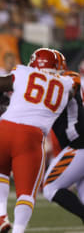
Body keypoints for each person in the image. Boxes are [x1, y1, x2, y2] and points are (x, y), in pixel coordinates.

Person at [0, 48, 80, 233]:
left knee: (0, 172)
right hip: (31, 136)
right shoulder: (67, 84)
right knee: (26, 192)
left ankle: (1, 215)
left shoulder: (23, 72)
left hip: (3, 129)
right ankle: (18, 230)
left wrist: (1, 95)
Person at [42, 68, 84, 222]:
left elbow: (71, 87)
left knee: (50, 187)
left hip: (79, 144)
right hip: (78, 144)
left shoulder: (67, 79)